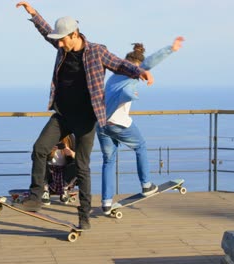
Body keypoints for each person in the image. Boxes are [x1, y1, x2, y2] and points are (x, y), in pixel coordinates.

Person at [15, 1, 154, 230]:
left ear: (74, 34)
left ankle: (84, 217)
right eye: (58, 40)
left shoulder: (97, 51)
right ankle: (35, 197)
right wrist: (32, 13)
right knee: (40, 148)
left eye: (62, 39)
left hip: (86, 119)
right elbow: (46, 33)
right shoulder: (62, 46)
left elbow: (119, 64)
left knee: (82, 166)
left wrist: (139, 71)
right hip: (62, 115)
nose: (59, 43)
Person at [97, 37, 184, 215]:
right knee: (141, 146)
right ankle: (146, 185)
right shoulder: (132, 73)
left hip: (100, 124)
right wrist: (171, 49)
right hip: (117, 122)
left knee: (109, 161)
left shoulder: (114, 77)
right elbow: (150, 63)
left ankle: (106, 203)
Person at [42, 134, 77, 205]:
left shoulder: (70, 138)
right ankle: (45, 190)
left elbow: (80, 157)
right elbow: (38, 156)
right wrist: (50, 152)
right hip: (50, 170)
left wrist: (71, 153)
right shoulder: (47, 136)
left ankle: (65, 189)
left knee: (77, 164)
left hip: (64, 170)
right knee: (41, 163)